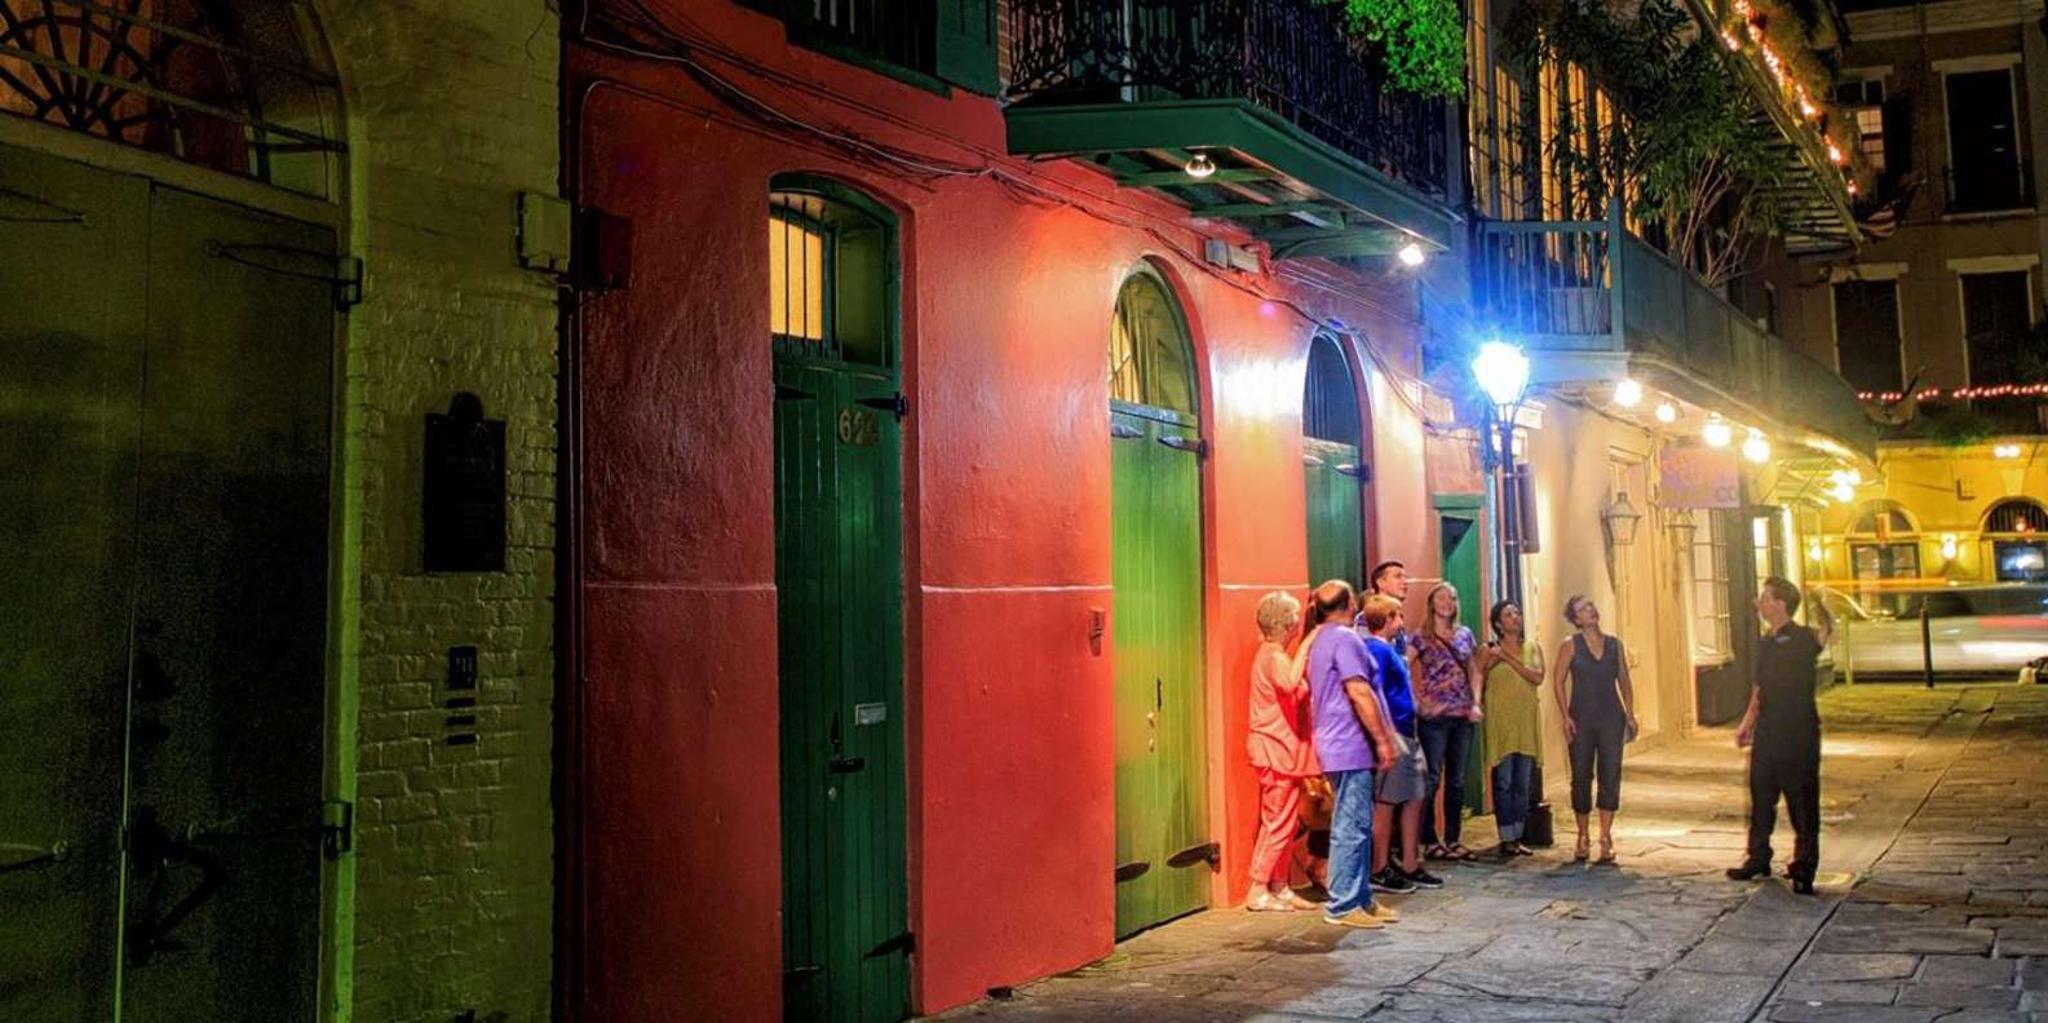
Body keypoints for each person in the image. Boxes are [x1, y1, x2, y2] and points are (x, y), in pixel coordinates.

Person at [1298, 580, 1401, 929]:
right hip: (1350, 743)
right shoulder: (1343, 639)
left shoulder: (1321, 639)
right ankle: (1343, 903)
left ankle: (1361, 898)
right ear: (1350, 604)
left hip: (1338, 742)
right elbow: (1358, 691)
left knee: (1358, 821)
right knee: (1352, 824)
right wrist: (1383, 740)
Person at [1728, 577, 1826, 895]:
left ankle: (1804, 866)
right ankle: (1758, 856)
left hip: (1798, 730)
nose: (1759, 603)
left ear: (1780, 604)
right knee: (1761, 793)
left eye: (1765, 598)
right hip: (1769, 728)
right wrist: (1747, 723)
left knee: (1801, 799)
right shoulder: (1765, 642)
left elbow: (1828, 632)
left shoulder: (1803, 638)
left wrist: (1819, 602)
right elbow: (1760, 686)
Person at [1357, 595, 1442, 894]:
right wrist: (1386, 732)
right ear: (1389, 618)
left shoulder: (1391, 649)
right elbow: (1374, 688)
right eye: (1399, 616)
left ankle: (1409, 861)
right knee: (1388, 800)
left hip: (1408, 730)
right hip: (1395, 731)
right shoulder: (1376, 649)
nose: (1403, 622)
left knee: (1415, 793)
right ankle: (1379, 867)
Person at [1244, 591, 1320, 911]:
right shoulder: (1273, 655)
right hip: (1273, 747)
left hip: (1283, 749)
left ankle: (1280, 884)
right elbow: (1290, 684)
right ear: (1287, 623)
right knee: (1277, 820)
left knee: (1285, 820)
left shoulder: (1275, 655)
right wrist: (1308, 644)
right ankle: (1259, 887)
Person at [1551, 595, 1638, 865]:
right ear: (1576, 619)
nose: (1591, 610)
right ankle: (1582, 834)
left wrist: (1630, 713)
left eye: (1591, 606)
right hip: (1582, 717)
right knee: (1581, 775)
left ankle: (1605, 835)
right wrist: (1565, 716)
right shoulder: (1571, 646)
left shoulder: (1614, 645)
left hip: (1611, 716)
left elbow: (1624, 679)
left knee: (1610, 772)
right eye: (1584, 609)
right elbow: (1558, 680)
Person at [1411, 583, 1483, 862]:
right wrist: (1419, 701)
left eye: (1452, 597)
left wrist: (1475, 701)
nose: (1448, 602)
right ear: (1432, 603)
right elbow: (1402, 667)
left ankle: (1454, 838)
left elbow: (1473, 670)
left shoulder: (1465, 635)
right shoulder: (1421, 637)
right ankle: (1429, 839)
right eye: (1442, 597)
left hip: (1462, 715)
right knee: (1431, 778)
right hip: (1435, 718)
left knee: (1457, 780)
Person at [1477, 600, 1544, 859]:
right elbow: (1478, 676)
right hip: (1501, 722)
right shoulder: (1488, 650)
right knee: (1503, 780)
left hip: (1524, 722)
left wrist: (1507, 659)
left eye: (1517, 612)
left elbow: (1537, 677)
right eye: (1508, 614)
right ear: (1497, 624)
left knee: (1522, 781)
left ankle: (1518, 834)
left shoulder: (1531, 648)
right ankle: (1506, 836)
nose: (1515, 617)